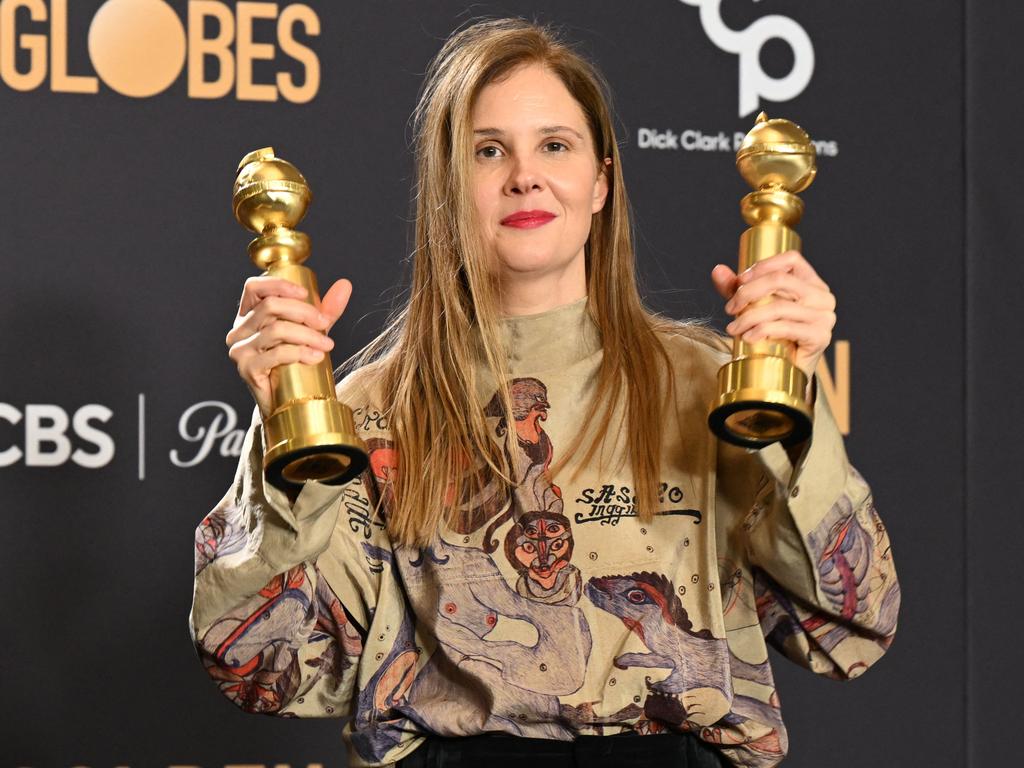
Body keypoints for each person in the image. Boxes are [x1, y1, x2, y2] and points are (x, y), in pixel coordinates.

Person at [189, 17, 900, 768]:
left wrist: (798, 404)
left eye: (554, 145)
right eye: (489, 150)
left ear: (601, 181)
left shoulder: (713, 384)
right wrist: (280, 430)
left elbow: (848, 627)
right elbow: (262, 666)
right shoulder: (371, 410)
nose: (524, 176)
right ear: (447, 189)